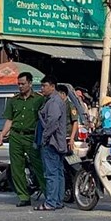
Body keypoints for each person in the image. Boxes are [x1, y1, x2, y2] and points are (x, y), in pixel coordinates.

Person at [0, 71, 46, 207]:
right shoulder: (14, 101)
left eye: (23, 84)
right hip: (16, 136)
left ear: (30, 84)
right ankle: (23, 196)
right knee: (16, 167)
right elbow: (10, 120)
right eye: (18, 84)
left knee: (38, 165)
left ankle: (48, 194)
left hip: (31, 136)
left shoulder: (39, 99)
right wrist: (2, 134)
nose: (20, 86)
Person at [36, 75, 67, 211]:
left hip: (52, 142)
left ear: (52, 86)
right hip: (58, 142)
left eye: (44, 85)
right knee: (58, 173)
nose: (42, 88)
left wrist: (44, 137)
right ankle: (58, 201)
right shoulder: (54, 100)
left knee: (51, 174)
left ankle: (51, 202)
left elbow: (52, 121)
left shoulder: (53, 102)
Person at [57, 84, 79, 153]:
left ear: (63, 94)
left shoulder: (70, 105)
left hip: (67, 137)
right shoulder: (58, 105)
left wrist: (72, 138)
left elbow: (75, 122)